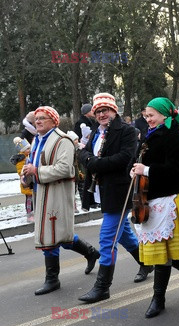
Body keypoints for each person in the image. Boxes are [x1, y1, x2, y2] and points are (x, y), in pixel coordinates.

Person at [130, 97, 179, 318]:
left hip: (169, 198)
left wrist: (146, 170)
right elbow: (141, 160)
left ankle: (158, 299)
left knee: (162, 254)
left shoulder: (175, 137)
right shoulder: (150, 134)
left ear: (164, 114)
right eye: (146, 116)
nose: (148, 119)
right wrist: (134, 170)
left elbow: (176, 169)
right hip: (149, 199)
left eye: (151, 115)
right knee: (162, 252)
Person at [77, 93, 153, 303]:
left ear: (114, 111)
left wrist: (92, 161)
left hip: (121, 192)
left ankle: (102, 287)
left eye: (106, 110)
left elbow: (123, 159)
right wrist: (89, 158)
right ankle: (146, 262)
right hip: (103, 191)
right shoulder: (95, 132)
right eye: (98, 111)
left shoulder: (127, 131)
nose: (102, 114)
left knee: (107, 238)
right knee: (125, 233)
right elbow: (82, 155)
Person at [21, 106, 100, 295]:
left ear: (54, 121)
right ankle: (90, 252)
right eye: (36, 119)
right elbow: (33, 165)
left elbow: (64, 169)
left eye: (42, 118)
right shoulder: (37, 140)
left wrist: (36, 171)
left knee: (53, 234)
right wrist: (27, 173)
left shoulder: (62, 140)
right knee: (58, 234)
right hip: (41, 192)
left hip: (56, 193)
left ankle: (52, 279)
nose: (37, 121)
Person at [10, 137, 34, 222]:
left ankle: (33, 213)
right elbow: (20, 171)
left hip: (31, 180)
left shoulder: (28, 157)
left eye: (29, 148)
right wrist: (25, 172)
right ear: (23, 150)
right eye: (27, 148)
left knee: (33, 199)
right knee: (29, 199)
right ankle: (29, 215)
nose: (29, 149)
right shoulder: (21, 159)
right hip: (26, 181)